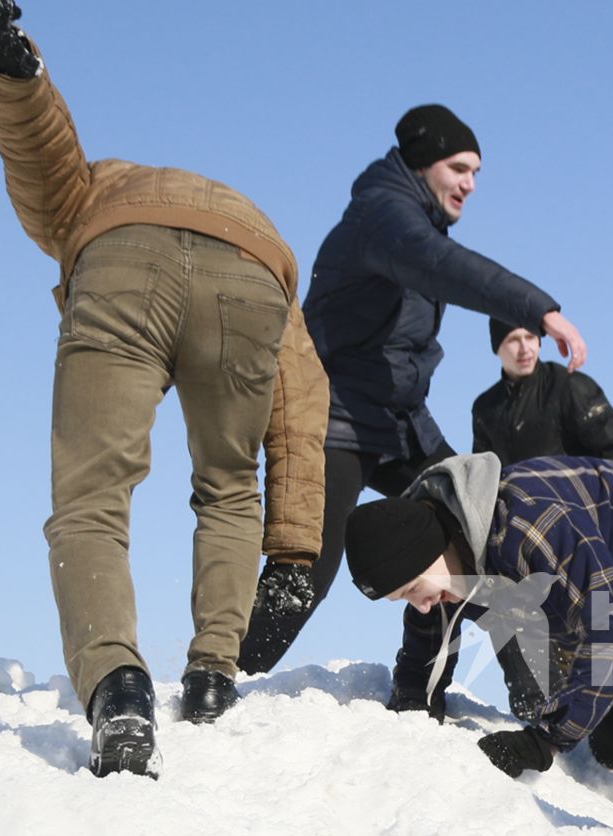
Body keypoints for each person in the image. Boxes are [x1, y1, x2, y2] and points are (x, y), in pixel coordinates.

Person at [0, 1, 326, 777]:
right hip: (255, 264)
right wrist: (295, 553)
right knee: (231, 485)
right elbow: (300, 400)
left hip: (123, 250)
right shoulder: (246, 222)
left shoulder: (95, 189)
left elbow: (44, 159)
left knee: (92, 495)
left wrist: (14, 75)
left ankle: (118, 688)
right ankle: (210, 676)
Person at [236, 104, 587, 677]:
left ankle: (540, 688)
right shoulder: (384, 218)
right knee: (307, 567)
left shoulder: (413, 223)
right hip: (335, 420)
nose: (470, 184)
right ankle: (229, 678)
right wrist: (536, 308)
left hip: (400, 425)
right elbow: (440, 265)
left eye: (477, 172)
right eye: (459, 168)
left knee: (484, 524)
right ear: (423, 164)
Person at [344, 454, 613, 774]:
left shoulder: (524, 525)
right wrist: (412, 709)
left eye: (413, 590)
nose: (421, 605)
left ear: (431, 550)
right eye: (404, 599)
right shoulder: (440, 564)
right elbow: (423, 651)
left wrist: (544, 741)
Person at [471, 319, 613, 463]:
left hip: (575, 494)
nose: (525, 348)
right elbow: (481, 478)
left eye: (530, 337)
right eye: (513, 340)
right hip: (517, 495)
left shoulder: (569, 386)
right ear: (497, 347)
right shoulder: (485, 408)